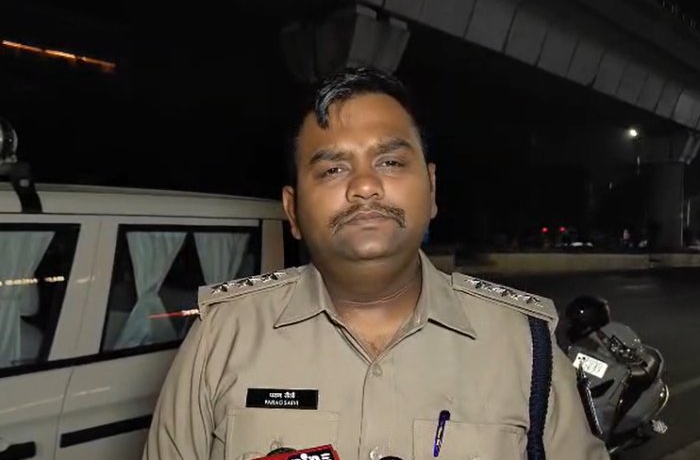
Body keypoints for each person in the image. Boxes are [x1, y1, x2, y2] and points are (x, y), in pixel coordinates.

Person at [143, 67, 609, 460]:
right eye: (333, 169)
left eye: (389, 162)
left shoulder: (525, 346)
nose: (364, 186)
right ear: (292, 211)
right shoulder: (222, 338)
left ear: (431, 189)